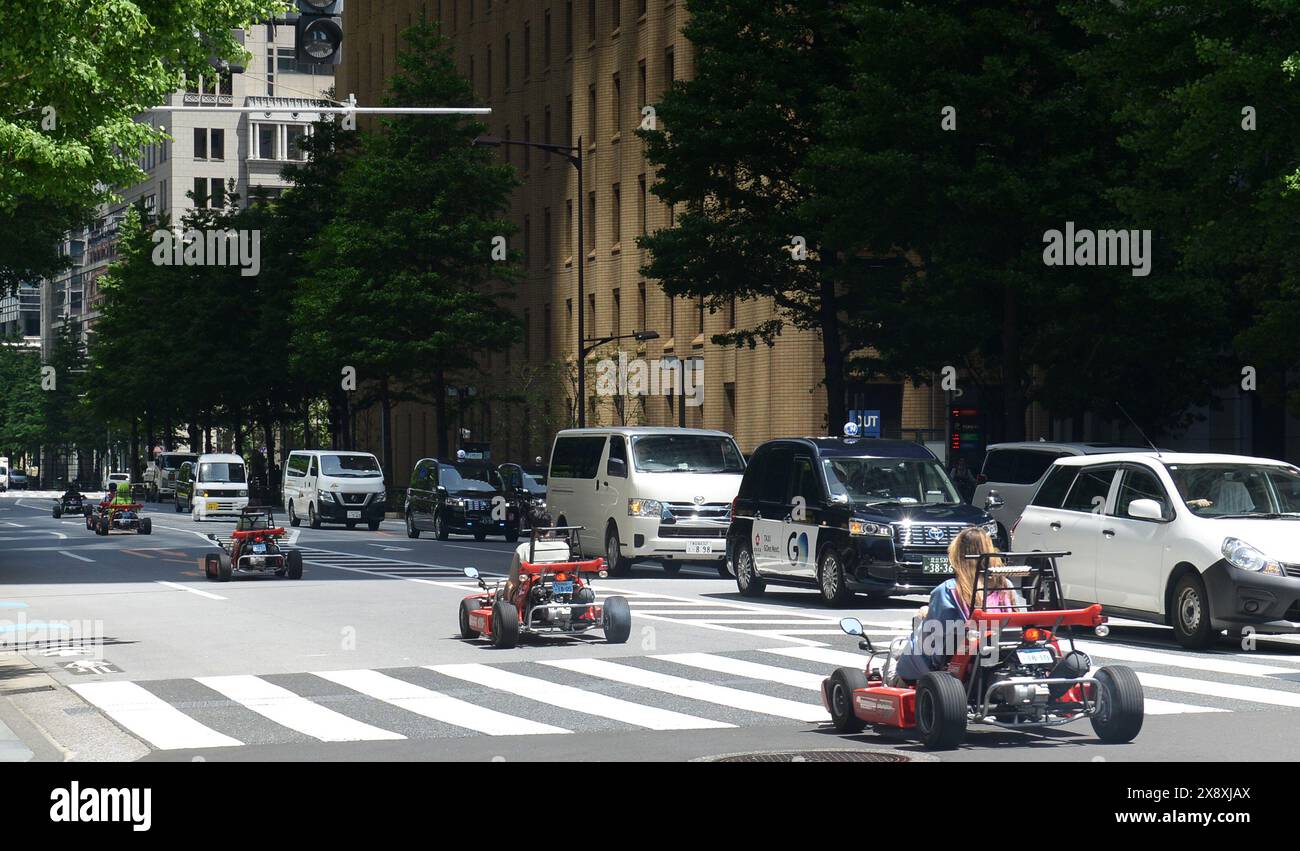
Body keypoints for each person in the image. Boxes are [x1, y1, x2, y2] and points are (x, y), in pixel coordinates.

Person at [893, 527, 1015, 683]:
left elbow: (934, 642)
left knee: (923, 620)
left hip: (957, 664)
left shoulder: (948, 590)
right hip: (1001, 651)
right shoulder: (1006, 586)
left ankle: (894, 677)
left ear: (958, 555)